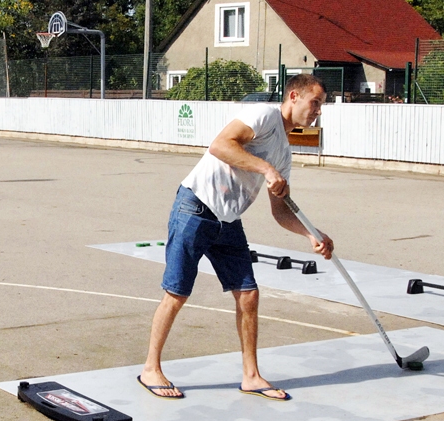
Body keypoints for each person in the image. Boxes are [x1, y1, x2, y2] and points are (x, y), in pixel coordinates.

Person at [138, 74, 333, 400]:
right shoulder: (263, 115)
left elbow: (281, 211)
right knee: (177, 292)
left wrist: (312, 234)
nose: (318, 111)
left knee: (248, 294)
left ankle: (251, 376)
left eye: (321, 105)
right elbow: (220, 145)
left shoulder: (284, 153)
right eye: (315, 103)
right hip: (195, 207)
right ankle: (150, 368)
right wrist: (265, 169)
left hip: (228, 220)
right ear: (294, 97)